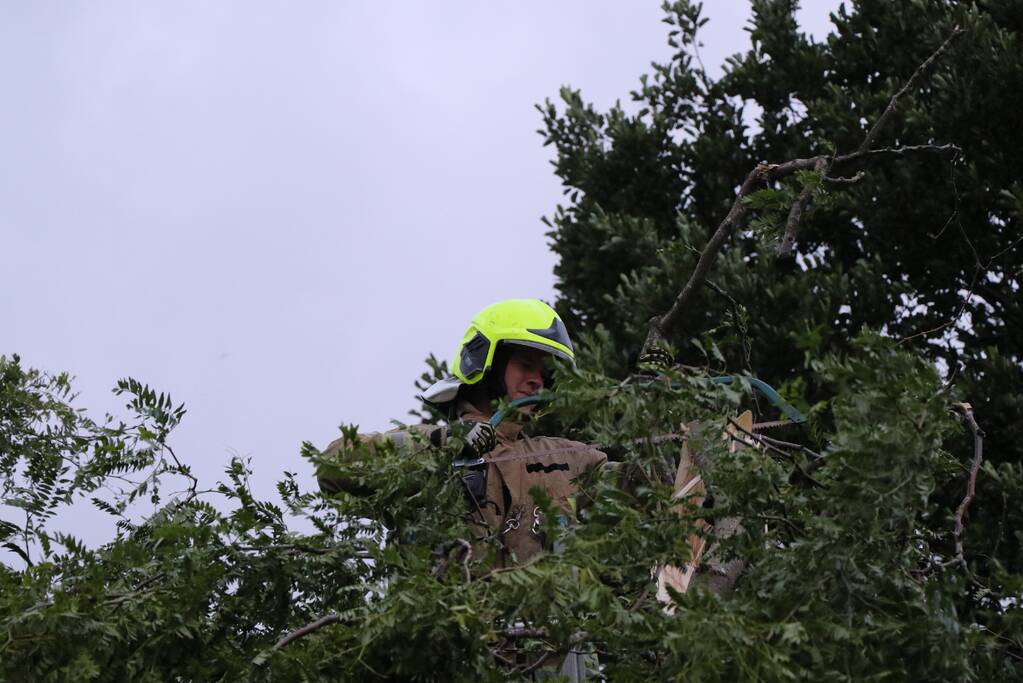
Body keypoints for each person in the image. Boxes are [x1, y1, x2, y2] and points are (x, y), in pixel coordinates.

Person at [317, 298, 607, 567]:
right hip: (446, 620)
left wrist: (653, 388)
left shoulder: (564, 460)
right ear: (488, 363)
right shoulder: (430, 450)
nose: (537, 382)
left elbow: (640, 484)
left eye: (546, 375)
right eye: (526, 365)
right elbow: (333, 466)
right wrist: (443, 443)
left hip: (542, 623)